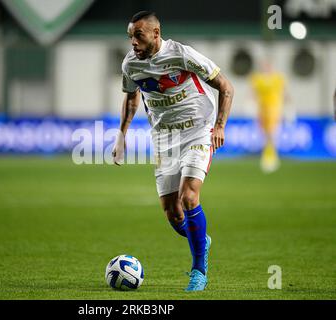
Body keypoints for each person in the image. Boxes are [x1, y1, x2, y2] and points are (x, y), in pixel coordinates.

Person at [112, 11, 233, 291]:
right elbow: (131, 100)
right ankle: (200, 237)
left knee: (189, 197)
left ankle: (198, 271)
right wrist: (121, 136)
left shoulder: (182, 55)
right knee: (173, 214)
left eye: (138, 36)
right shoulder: (131, 64)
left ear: (156, 33)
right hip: (164, 138)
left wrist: (220, 126)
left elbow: (226, 87)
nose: (132, 42)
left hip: (197, 130)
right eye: (130, 36)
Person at [250, 61, 286, 173]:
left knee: (271, 132)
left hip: (274, 108)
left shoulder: (278, 78)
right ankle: (267, 155)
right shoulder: (257, 78)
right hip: (262, 109)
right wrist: (251, 103)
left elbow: (283, 92)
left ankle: (271, 157)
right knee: (264, 134)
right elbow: (254, 93)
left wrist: (288, 106)